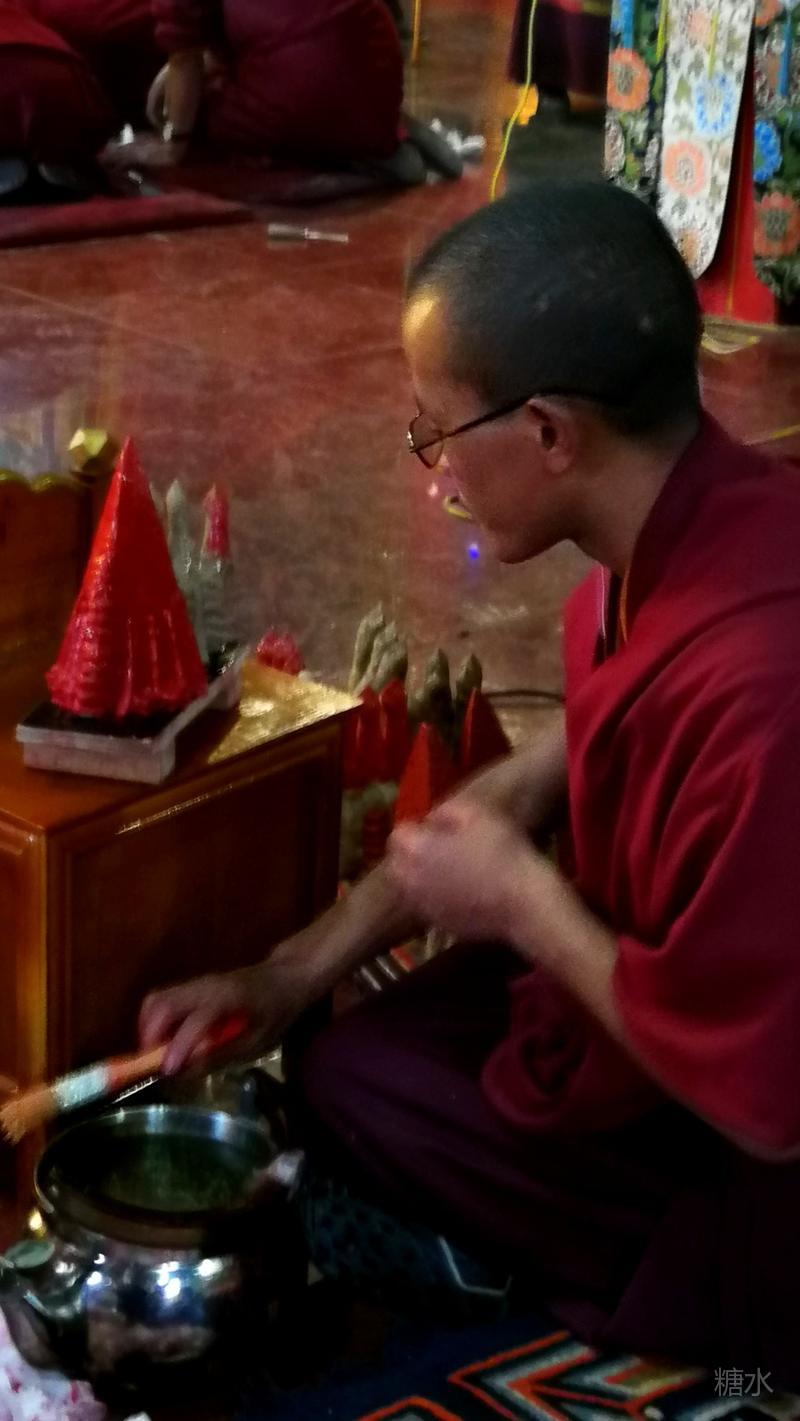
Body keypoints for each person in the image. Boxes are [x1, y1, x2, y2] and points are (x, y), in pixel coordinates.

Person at [140, 181, 800, 1386]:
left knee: (367, 1110)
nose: (432, 473)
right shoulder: (682, 540)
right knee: (349, 1061)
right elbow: (556, 769)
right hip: (668, 1005)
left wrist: (524, 906)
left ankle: (534, 1279)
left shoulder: (760, 686)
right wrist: (287, 973)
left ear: (548, 433)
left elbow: (762, 1104)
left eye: (437, 431)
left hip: (752, 1154)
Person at [0, 0, 452, 193]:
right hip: (375, 61)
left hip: (299, 84)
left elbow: (186, 54)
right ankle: (384, 133)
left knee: (184, 109)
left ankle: (347, 145)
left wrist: (175, 142)